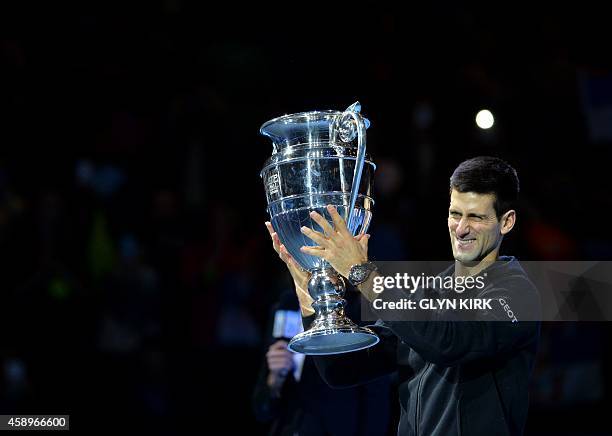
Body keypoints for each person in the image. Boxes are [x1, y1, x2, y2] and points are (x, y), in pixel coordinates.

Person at [265, 156, 540, 436]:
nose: (461, 228)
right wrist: (308, 291)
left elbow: (448, 342)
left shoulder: (517, 293)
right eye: (455, 214)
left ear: (506, 222)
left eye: (476, 217)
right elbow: (341, 369)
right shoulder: (426, 293)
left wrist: (360, 272)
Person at [252, 289, 391, 436]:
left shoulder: (358, 310)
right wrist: (275, 378)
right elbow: (262, 409)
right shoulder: (286, 306)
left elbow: (376, 394)